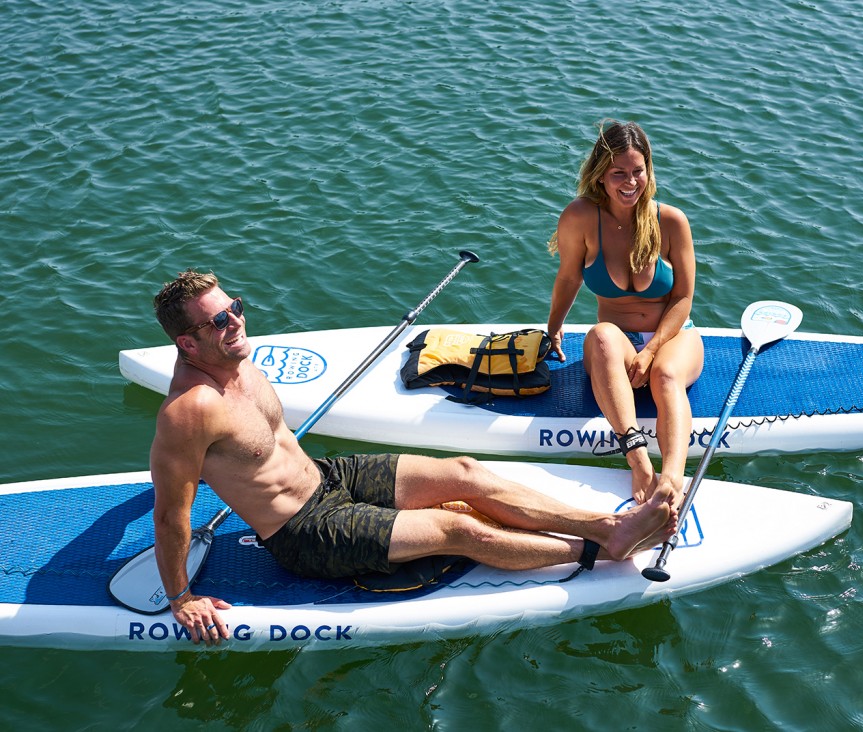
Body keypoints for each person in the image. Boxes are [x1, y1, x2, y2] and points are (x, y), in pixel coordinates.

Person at [149, 269, 678, 646]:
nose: (235, 322)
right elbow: (171, 514)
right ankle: (596, 551)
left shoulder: (237, 359)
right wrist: (181, 598)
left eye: (235, 307)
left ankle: (607, 526)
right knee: (457, 529)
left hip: (327, 477)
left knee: (464, 472)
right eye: (218, 321)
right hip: (304, 532)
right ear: (187, 344)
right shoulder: (190, 411)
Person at [546, 120, 705, 510]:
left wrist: (651, 350)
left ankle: (673, 479)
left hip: (672, 337)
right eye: (618, 173)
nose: (630, 182)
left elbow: (683, 297)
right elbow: (568, 278)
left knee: (665, 375)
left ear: (649, 170)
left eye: (638, 171)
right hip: (617, 347)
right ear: (600, 174)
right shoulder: (581, 217)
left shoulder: (671, 221)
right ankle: (638, 461)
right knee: (601, 334)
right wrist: (553, 329)